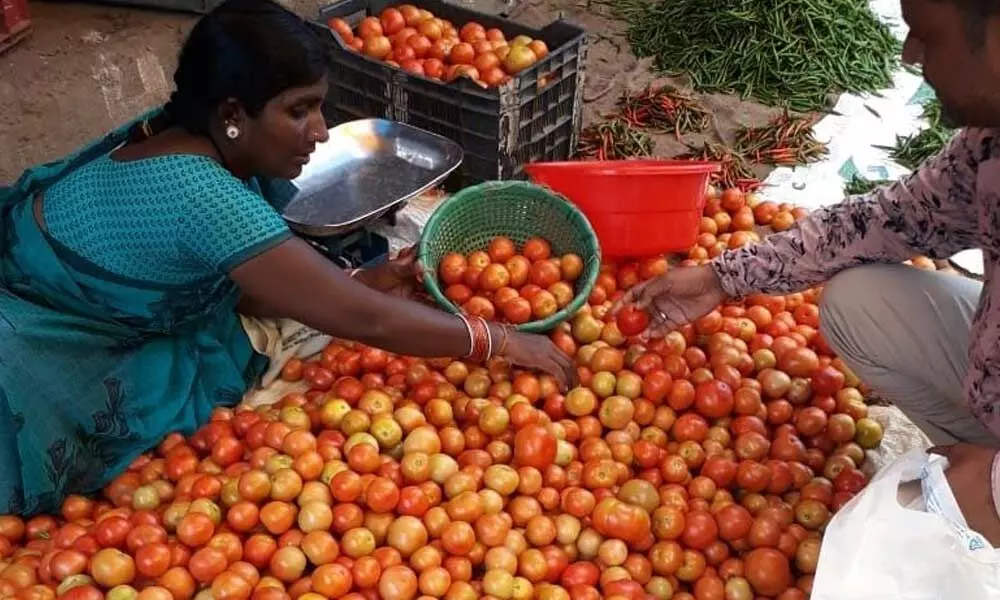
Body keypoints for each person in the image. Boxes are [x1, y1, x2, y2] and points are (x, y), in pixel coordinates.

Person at [0, 0, 573, 516]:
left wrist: (362, 279)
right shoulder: (205, 197)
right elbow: (367, 321)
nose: (321, 132)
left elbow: (247, 275)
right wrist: (499, 340)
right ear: (233, 114)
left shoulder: (172, 131)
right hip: (41, 355)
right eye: (299, 111)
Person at [618, 0, 1000, 544]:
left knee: (946, 525)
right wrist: (724, 278)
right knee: (860, 300)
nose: (911, 54)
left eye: (926, 35)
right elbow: (887, 218)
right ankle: (977, 456)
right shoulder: (990, 141)